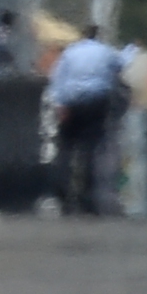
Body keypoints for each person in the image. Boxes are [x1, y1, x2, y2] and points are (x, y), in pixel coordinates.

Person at [45, 22, 127, 213]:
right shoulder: (106, 52)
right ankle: (86, 191)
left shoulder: (70, 52)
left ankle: (62, 190)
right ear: (98, 36)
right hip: (96, 102)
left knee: (65, 147)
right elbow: (119, 66)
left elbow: (58, 78)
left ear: (82, 35)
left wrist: (60, 104)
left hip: (72, 102)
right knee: (90, 147)